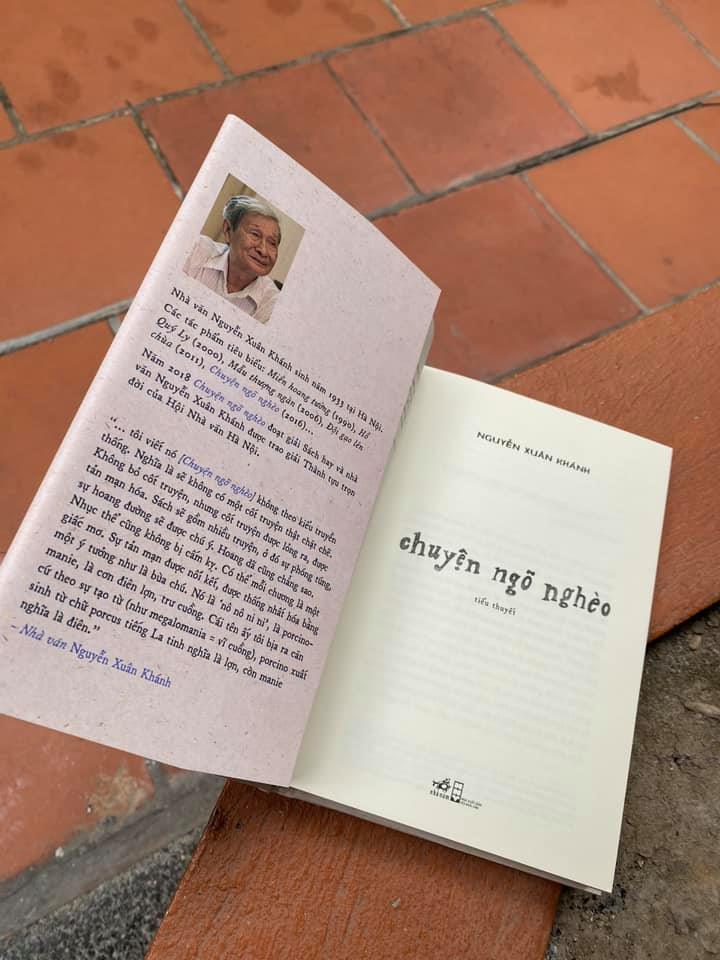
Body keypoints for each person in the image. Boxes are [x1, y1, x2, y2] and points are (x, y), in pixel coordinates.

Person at [184, 195, 282, 323]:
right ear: (228, 230)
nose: (263, 250)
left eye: (272, 243)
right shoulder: (195, 250)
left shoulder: (272, 304)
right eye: (255, 234)